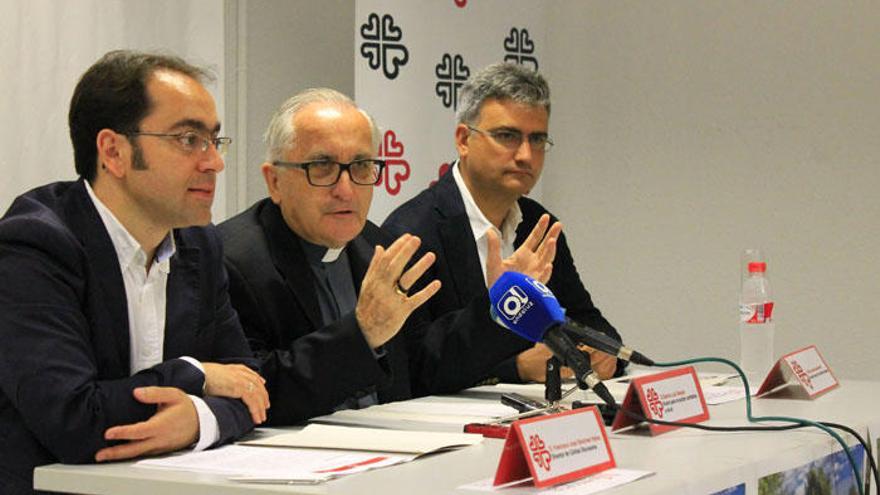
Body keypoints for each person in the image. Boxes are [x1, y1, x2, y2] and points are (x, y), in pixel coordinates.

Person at [0, 50, 269, 494]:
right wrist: (194, 375)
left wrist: (198, 419)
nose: (214, 163)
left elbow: (249, 386)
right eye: (188, 140)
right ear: (114, 152)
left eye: (214, 141)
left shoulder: (199, 245)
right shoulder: (34, 246)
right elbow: (73, 419)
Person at [218, 88, 558, 424]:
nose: (346, 189)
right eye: (322, 166)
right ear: (274, 181)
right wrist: (362, 332)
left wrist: (500, 308)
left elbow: (425, 369)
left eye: (362, 166)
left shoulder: (374, 244)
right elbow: (254, 391)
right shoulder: (231, 260)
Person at [383, 62, 625, 384]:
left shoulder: (539, 225)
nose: (526, 155)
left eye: (537, 140)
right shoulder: (411, 233)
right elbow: (413, 368)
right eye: (507, 136)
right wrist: (516, 369)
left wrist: (603, 352)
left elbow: (585, 319)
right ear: (464, 140)